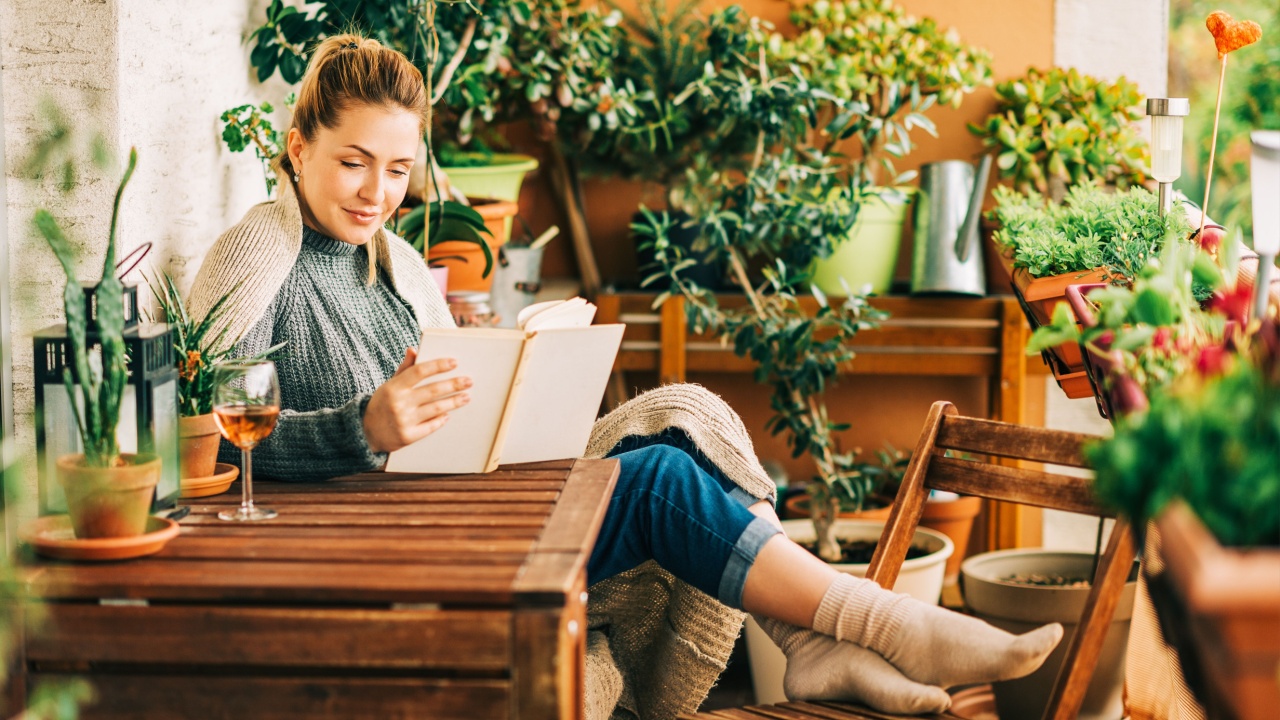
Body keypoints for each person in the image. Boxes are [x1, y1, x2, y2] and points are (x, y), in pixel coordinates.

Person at [189, 34, 1062, 717]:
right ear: (296, 146)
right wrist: (361, 429)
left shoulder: (399, 264)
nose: (377, 191)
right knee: (656, 482)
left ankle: (816, 640)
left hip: (457, 511)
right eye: (352, 161)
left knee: (679, 423)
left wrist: (506, 377)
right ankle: (872, 627)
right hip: (384, 550)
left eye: (398, 169)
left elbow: (445, 411)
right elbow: (204, 444)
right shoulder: (260, 251)